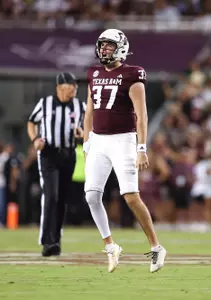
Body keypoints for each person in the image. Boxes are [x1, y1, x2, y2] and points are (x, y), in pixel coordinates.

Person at [83, 29, 167, 273]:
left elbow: (141, 115)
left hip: (123, 140)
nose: (104, 50)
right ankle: (110, 246)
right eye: (102, 46)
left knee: (130, 196)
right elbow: (89, 112)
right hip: (98, 140)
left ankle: (156, 247)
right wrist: (87, 143)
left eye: (109, 46)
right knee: (91, 195)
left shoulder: (132, 74)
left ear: (120, 47)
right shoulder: (93, 73)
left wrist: (142, 147)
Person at [27, 71, 85, 257]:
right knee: (51, 195)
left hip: (69, 154)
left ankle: (56, 240)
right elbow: (31, 122)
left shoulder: (80, 106)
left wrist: (82, 134)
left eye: (75, 86)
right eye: (71, 85)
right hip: (49, 153)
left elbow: (89, 128)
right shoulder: (45, 104)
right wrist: (35, 138)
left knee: (61, 199)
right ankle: (47, 240)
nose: (74, 89)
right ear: (60, 87)